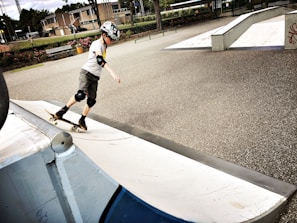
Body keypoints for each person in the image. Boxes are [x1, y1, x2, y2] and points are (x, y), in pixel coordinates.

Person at [54, 21, 121, 131]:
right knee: (81, 95)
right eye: (111, 39)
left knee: (91, 101)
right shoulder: (96, 44)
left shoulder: (104, 45)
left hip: (95, 77)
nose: (112, 41)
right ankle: (62, 111)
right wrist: (112, 73)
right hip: (86, 73)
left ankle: (82, 120)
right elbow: (99, 60)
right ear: (104, 35)